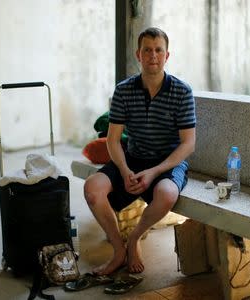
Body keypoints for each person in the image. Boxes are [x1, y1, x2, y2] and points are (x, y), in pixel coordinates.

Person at [84, 27, 196, 275]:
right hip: (133, 159)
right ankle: (118, 250)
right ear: (138, 54)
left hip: (167, 162)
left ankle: (134, 239)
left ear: (167, 56)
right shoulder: (124, 90)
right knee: (92, 189)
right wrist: (124, 171)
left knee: (167, 193)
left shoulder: (182, 92)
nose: (153, 56)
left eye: (158, 50)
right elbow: (113, 140)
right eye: (147, 50)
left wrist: (154, 170)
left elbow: (188, 144)